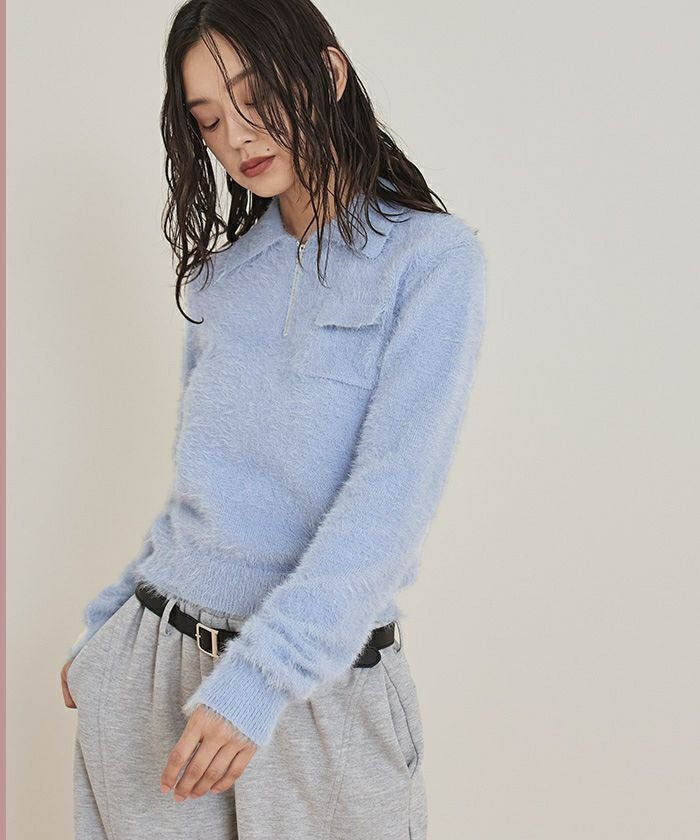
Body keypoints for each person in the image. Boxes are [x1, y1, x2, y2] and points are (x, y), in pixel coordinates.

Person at [59, 1, 487, 837]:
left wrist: (258, 682)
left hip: (315, 693)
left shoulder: (431, 263)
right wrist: (107, 629)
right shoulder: (223, 279)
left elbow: (391, 497)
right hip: (154, 675)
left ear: (328, 73)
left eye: (257, 98)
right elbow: (206, 492)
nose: (238, 136)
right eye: (209, 120)